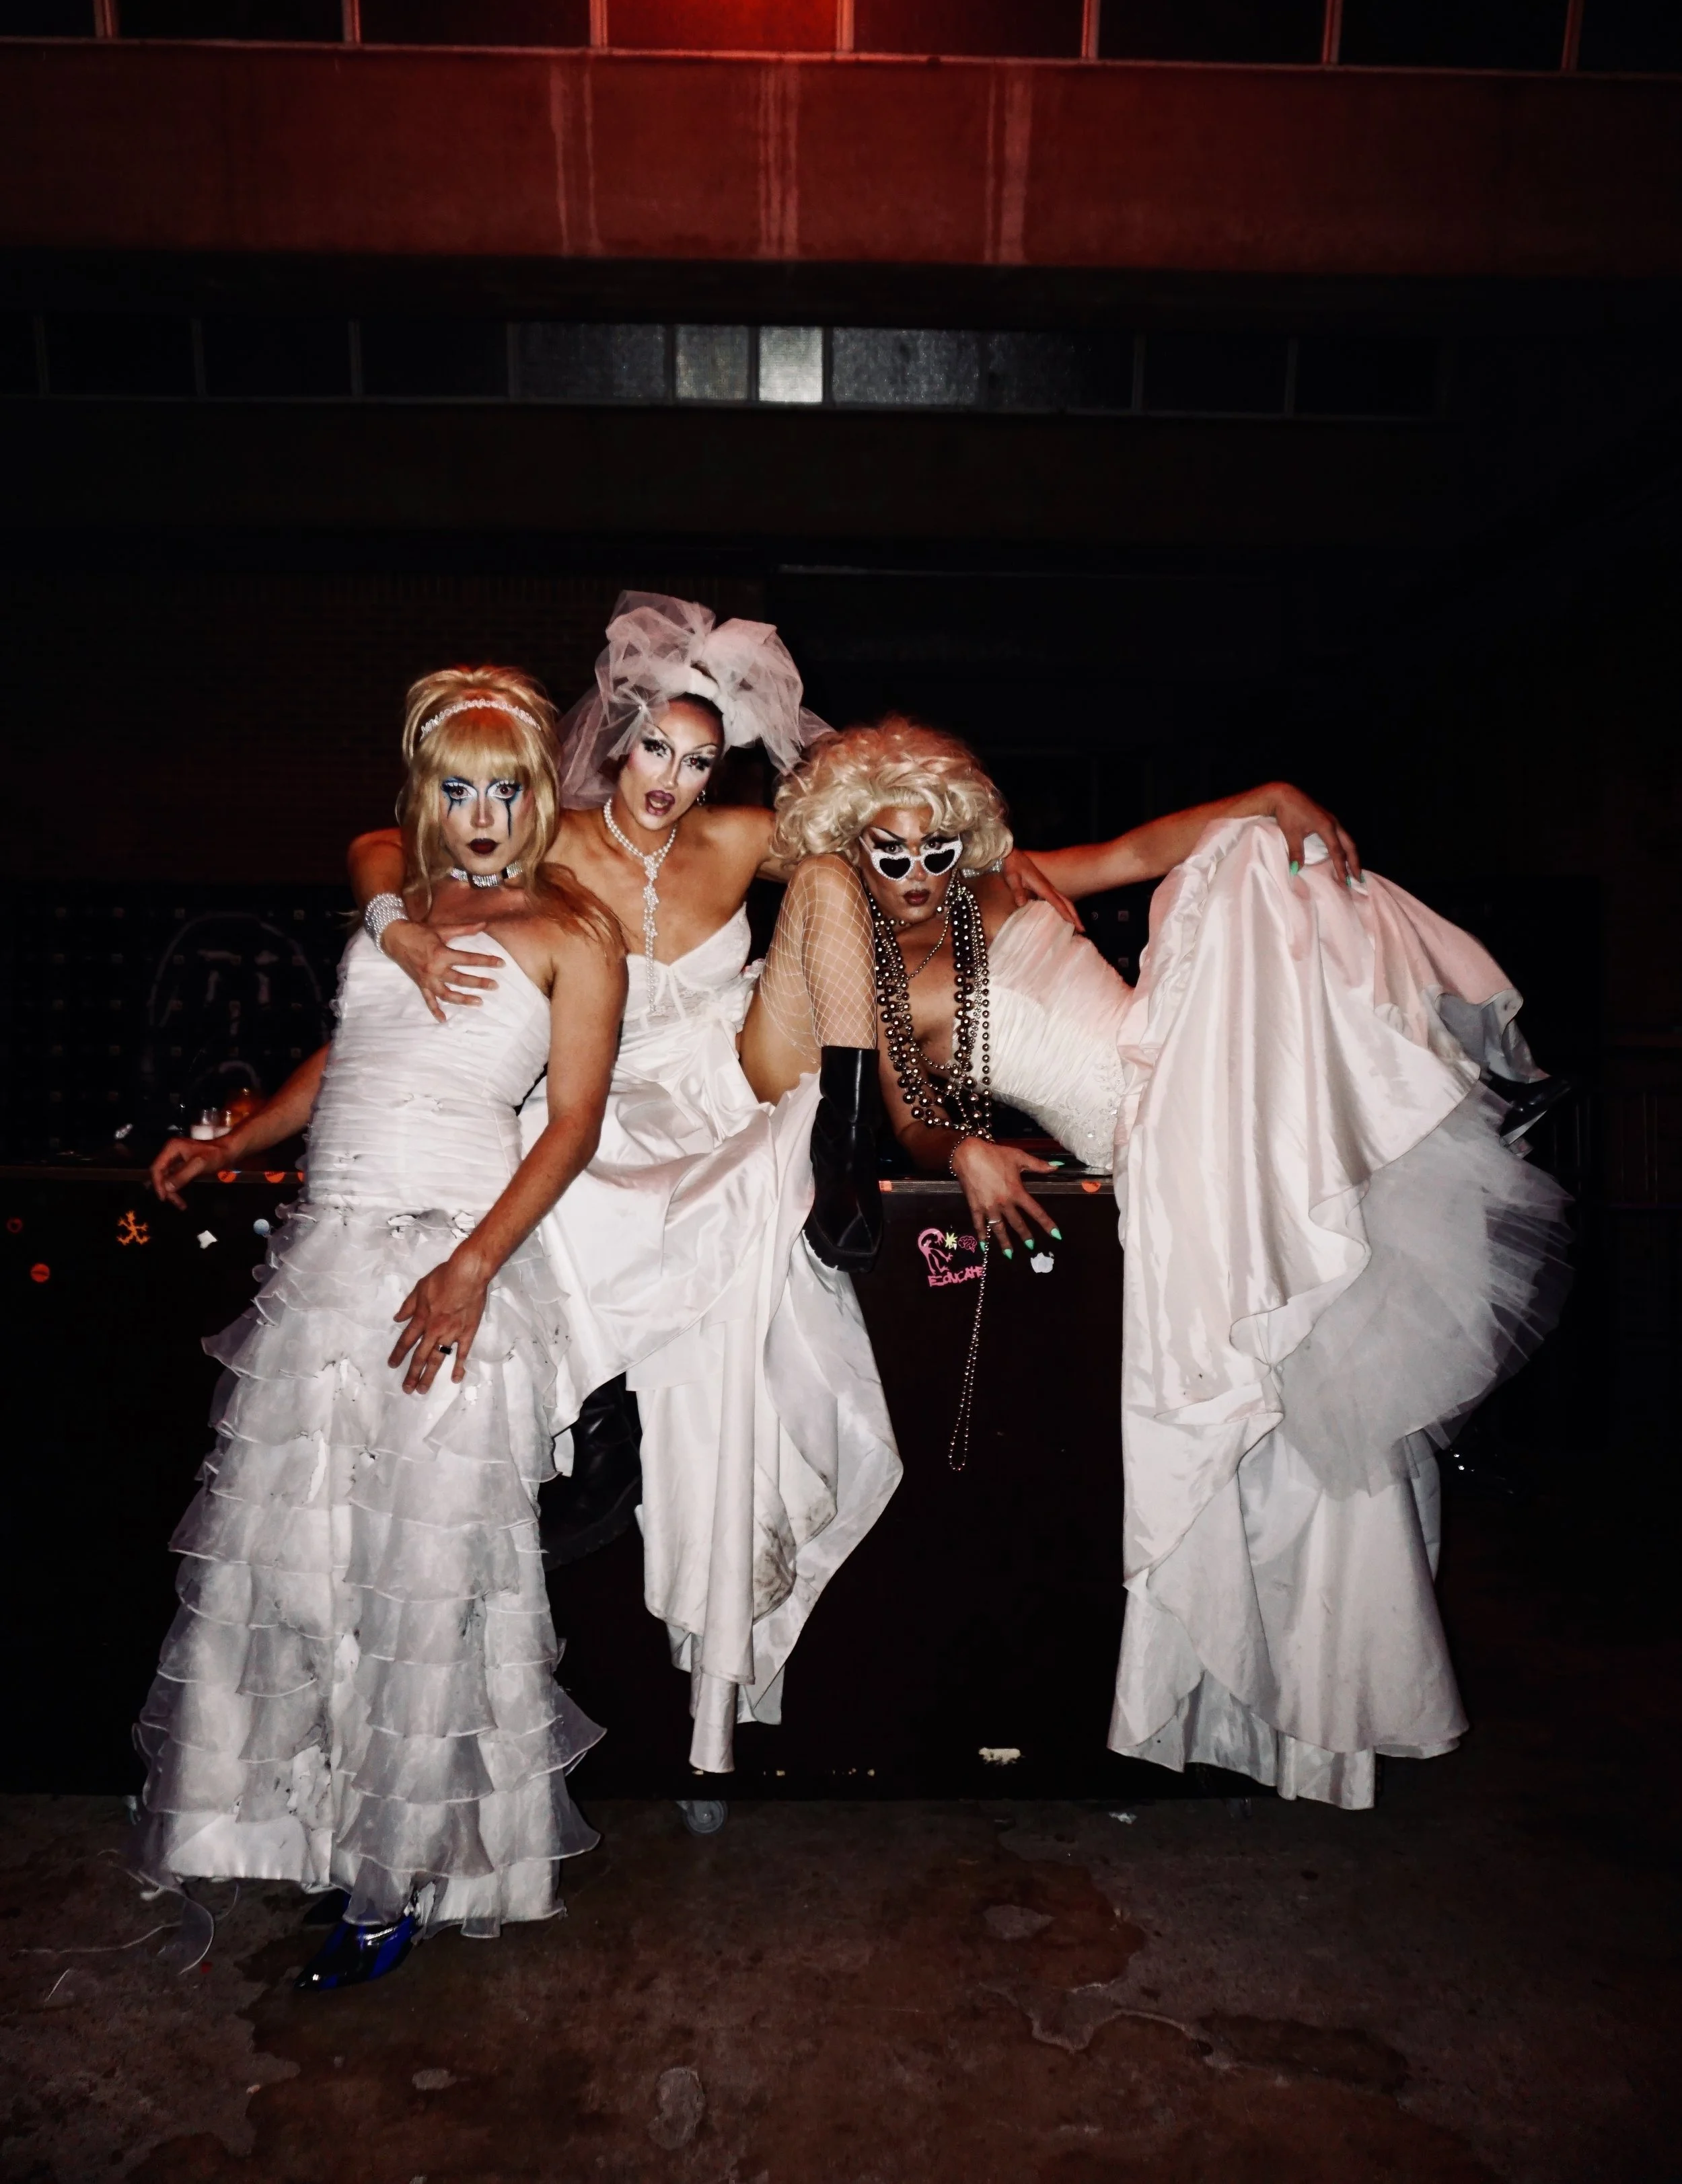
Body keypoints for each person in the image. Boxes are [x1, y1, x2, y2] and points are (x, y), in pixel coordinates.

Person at [768, 716, 1570, 1809]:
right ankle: (1280, 1717)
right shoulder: (873, 966)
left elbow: (1151, 849)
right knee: (1270, 1395)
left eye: (935, 847)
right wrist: (958, 1146)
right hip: (1154, 1151)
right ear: (851, 850)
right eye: (887, 853)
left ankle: (1427, 1053)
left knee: (1247, 859)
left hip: (1189, 1074)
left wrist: (1272, 792)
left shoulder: (1012, 881)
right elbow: (908, 1111)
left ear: (963, 836)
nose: (916, 874)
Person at [347, 603, 1061, 1772]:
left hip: (739, 1076)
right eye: (653, 752)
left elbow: (886, 842)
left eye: (697, 757)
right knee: (565, 1193)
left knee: (832, 877)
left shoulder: (736, 839)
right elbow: (388, 847)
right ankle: (602, 1422)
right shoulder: (547, 838)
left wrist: (991, 859)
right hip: (603, 1095)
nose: (671, 781)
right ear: (614, 742)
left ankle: (836, 1154)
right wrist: (394, 925)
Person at [133, 674, 626, 1987]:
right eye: (455, 788)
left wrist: (473, 1266)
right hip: (329, 1265)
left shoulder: (575, 927)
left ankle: (403, 1874)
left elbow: (569, 1123)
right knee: (308, 1566)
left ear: (538, 795)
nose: (480, 814)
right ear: (428, 795)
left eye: (505, 786)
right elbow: (346, 1055)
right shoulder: (396, 898)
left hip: (445, 1270)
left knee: (428, 1580)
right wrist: (235, 1136)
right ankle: (331, 1835)